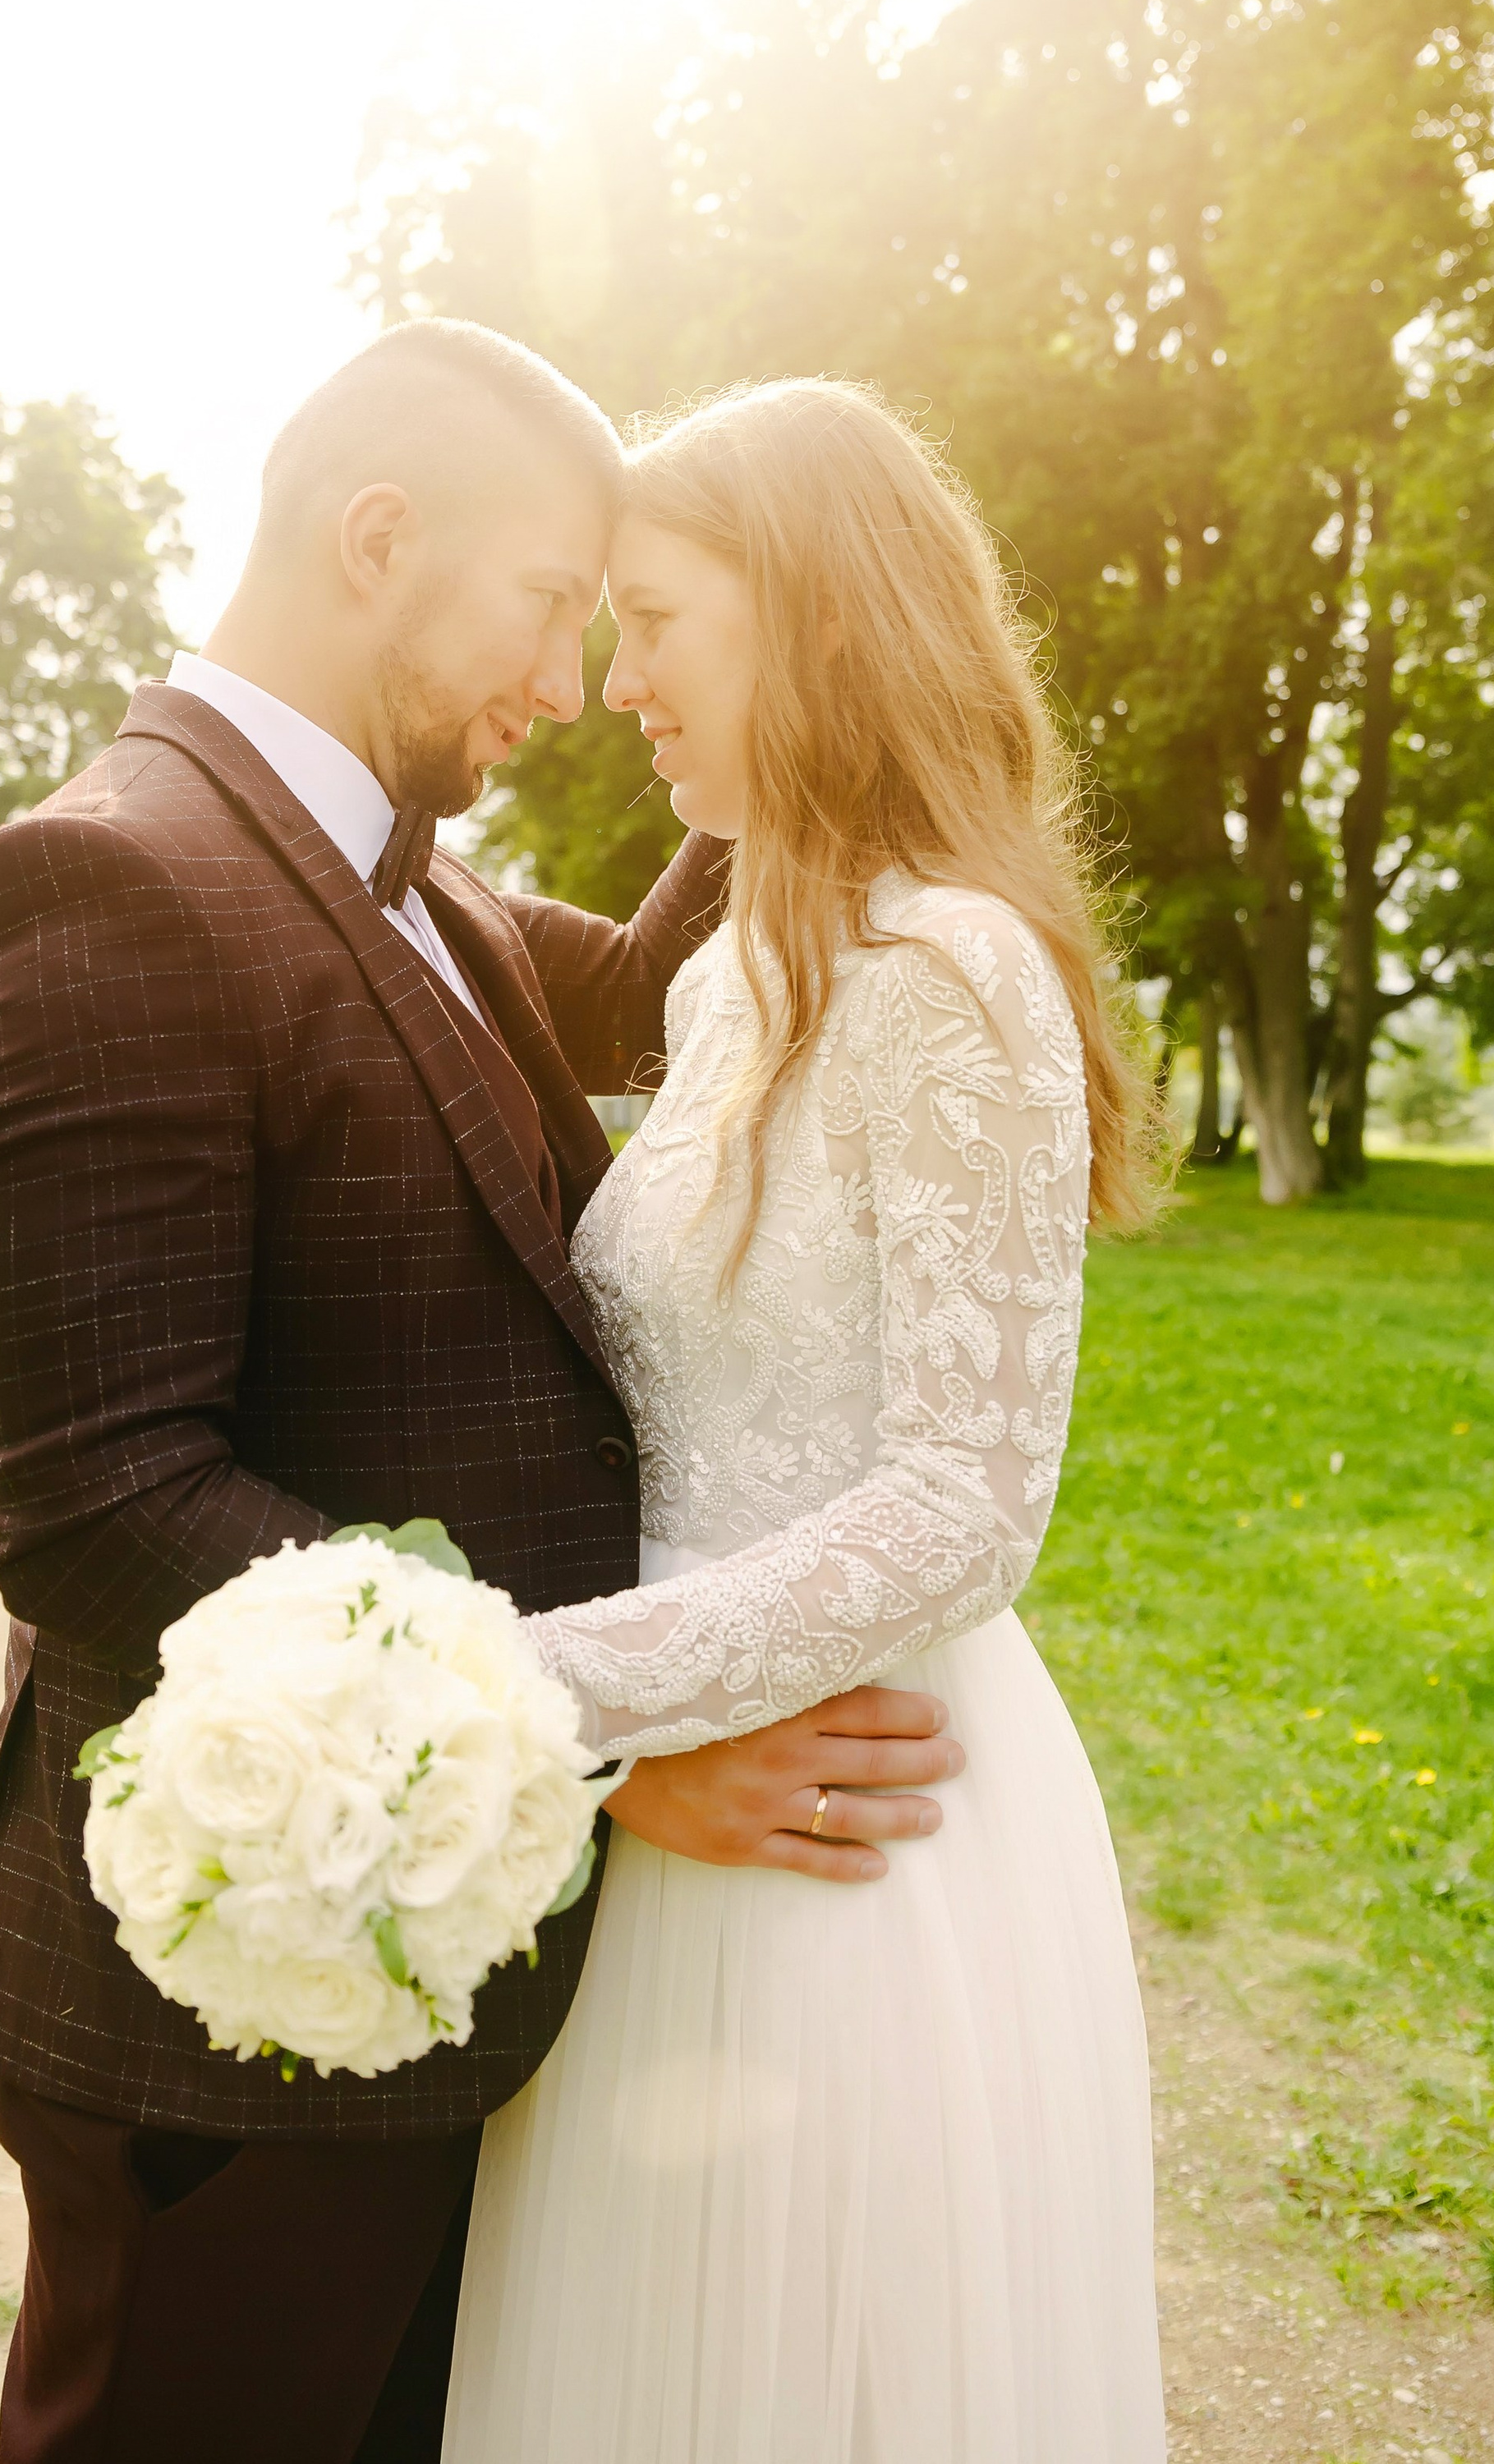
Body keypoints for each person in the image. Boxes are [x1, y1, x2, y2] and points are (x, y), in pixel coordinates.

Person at [0, 320, 963, 2464]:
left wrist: (795, 612)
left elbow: (664, 977)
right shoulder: (103, 881)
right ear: (377, 538)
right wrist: (580, 1753)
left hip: (450, 2000)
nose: (578, 679)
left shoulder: (428, 889)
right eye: (559, 602)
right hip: (236, 2034)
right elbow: (107, 1505)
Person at [446, 377, 1168, 2464]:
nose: (614, 681)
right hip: (672, 1801)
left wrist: (532, 1689)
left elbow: (961, 1501)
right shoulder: (728, 974)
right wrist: (602, 1753)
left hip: (851, 1828)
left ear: (813, 611)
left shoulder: (949, 973)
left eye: (658, 620)